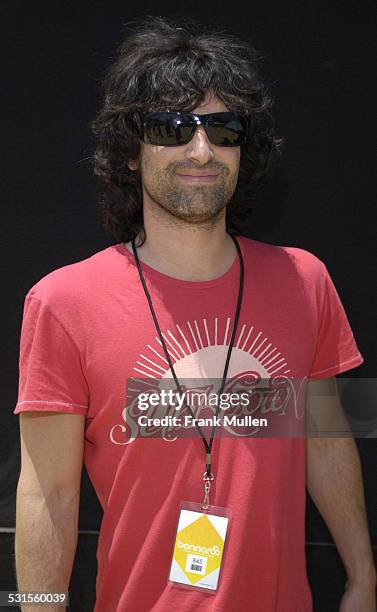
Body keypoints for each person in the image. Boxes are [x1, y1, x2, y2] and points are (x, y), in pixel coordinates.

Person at [14, 15, 376, 612]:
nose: (201, 150)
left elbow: (327, 439)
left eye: (223, 128)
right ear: (130, 153)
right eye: (171, 128)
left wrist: (363, 575)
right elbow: (46, 494)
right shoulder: (61, 301)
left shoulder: (305, 280)